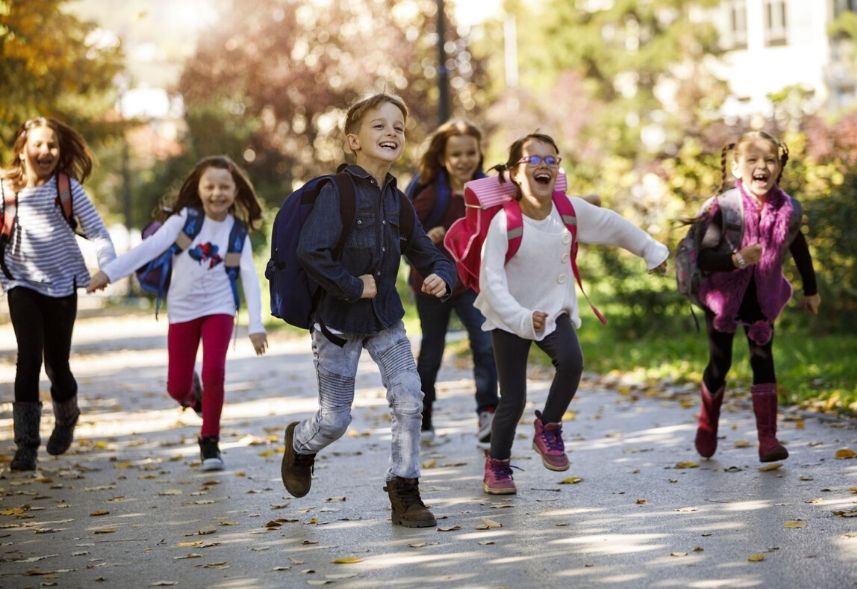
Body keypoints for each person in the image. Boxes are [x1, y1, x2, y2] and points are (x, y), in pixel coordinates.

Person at [279, 93, 457, 528]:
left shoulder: (398, 201)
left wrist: (443, 275)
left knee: (410, 399)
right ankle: (300, 444)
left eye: (398, 126)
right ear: (352, 140)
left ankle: (405, 489)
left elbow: (426, 251)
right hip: (336, 325)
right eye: (379, 126)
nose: (391, 133)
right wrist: (352, 285)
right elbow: (311, 252)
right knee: (335, 421)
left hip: (385, 321)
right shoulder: (335, 193)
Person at [475, 133, 669, 495]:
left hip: (553, 310)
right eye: (533, 160)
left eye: (551, 159)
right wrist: (519, 317)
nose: (544, 165)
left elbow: (613, 225)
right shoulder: (504, 223)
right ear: (515, 173)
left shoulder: (569, 211)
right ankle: (498, 464)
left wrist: (650, 251)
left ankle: (548, 426)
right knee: (512, 400)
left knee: (573, 361)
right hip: (510, 317)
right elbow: (491, 282)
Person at [88, 155, 268, 471]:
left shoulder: (236, 230)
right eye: (209, 186)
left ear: (236, 190)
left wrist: (256, 325)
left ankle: (210, 441)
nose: (217, 193)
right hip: (183, 310)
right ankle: (196, 400)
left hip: (219, 308)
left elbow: (250, 276)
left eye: (224, 187)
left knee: (214, 371)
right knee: (176, 388)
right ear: (198, 189)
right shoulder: (184, 219)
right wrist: (109, 273)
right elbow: (148, 249)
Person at [693, 130, 819, 463]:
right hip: (722, 296)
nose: (761, 166)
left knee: (763, 359)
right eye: (753, 160)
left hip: (762, 296)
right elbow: (704, 258)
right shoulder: (726, 208)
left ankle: (768, 440)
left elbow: (799, 246)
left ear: (779, 167)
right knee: (721, 363)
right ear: (738, 168)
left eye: (770, 160)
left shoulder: (787, 209)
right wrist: (735, 260)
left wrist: (811, 289)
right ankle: (707, 424)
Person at [1, 117, 117, 471]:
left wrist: (105, 267)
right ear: (22, 151)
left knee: (57, 363)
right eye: (37, 145)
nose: (45, 151)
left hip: (63, 285)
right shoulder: (6, 190)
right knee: (28, 359)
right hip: (21, 282)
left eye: (52, 145)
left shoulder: (66, 188)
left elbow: (98, 231)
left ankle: (66, 417)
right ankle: (26, 446)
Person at [408, 120, 499, 444]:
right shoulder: (433, 193)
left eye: (470, 152)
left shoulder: (489, 189)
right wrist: (427, 237)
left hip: (471, 282)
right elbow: (406, 233)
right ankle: (424, 416)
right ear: (443, 157)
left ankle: (488, 412)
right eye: (456, 154)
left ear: (479, 153)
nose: (464, 159)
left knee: (486, 344)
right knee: (432, 351)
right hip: (432, 282)